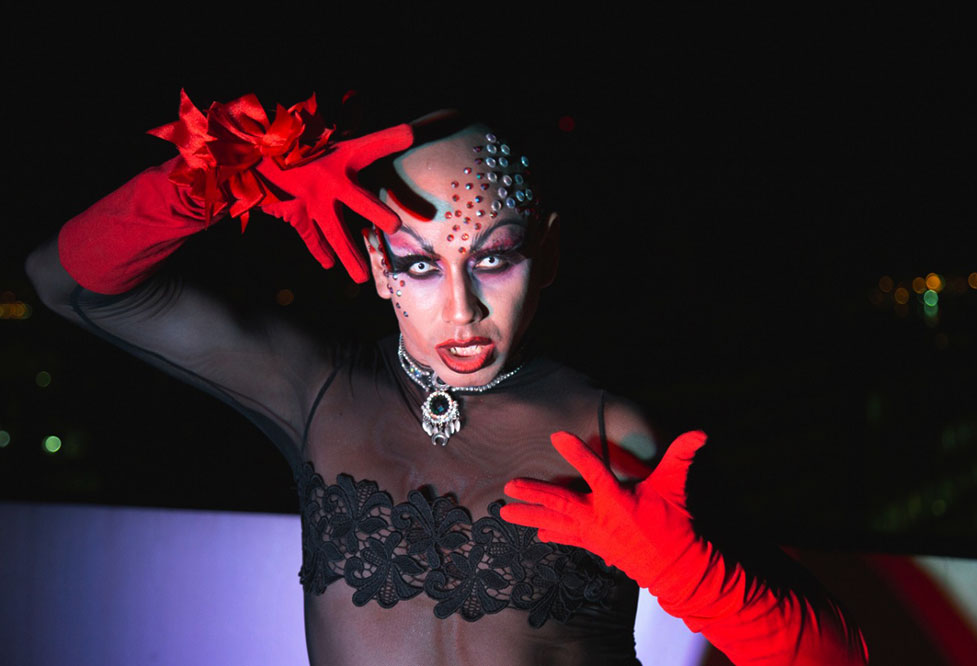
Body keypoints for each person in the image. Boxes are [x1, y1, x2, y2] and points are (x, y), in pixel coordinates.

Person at [26, 90, 868, 665]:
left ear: (547, 252)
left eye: (494, 258)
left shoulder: (611, 432)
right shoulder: (320, 390)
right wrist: (216, 175)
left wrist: (699, 580)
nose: (462, 308)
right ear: (376, 264)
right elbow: (64, 283)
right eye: (420, 264)